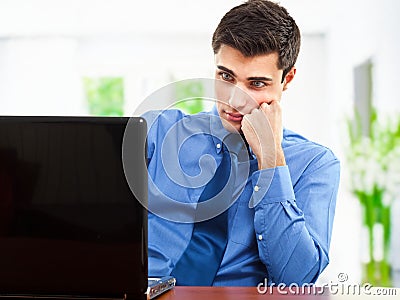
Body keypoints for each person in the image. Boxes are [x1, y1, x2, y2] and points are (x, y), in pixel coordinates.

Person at [142, 0, 340, 287]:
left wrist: (271, 159)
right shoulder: (160, 131)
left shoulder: (314, 164)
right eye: (226, 76)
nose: (235, 100)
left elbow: (297, 278)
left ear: (287, 79)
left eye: (257, 84)